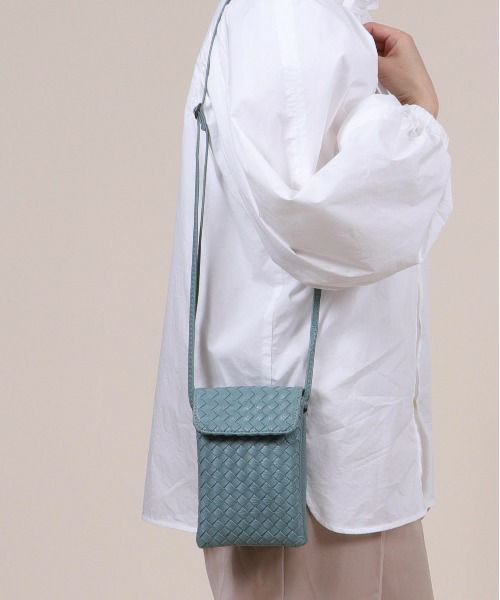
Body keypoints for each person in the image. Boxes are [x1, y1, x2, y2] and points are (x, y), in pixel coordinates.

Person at [141, 1, 453, 598]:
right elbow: (319, 221)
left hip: (339, 453)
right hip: (306, 457)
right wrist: (417, 111)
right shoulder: (293, 15)